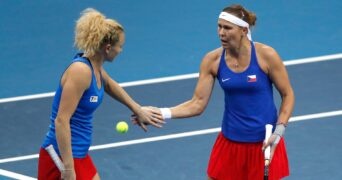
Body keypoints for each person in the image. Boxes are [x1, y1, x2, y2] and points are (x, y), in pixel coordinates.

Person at [135, 4, 295, 180]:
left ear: (243, 30)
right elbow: (197, 103)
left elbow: (287, 95)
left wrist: (279, 132)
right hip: (230, 144)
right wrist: (160, 113)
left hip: (264, 144)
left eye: (227, 28)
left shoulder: (266, 55)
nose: (221, 32)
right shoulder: (212, 60)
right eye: (219, 27)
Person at [38, 8, 164, 180]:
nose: (121, 50)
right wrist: (68, 169)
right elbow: (61, 120)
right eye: (121, 46)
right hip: (61, 155)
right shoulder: (80, 71)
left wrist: (137, 109)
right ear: (108, 48)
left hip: (79, 152)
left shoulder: (95, 68)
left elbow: (110, 84)